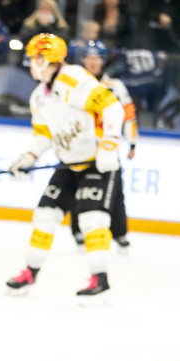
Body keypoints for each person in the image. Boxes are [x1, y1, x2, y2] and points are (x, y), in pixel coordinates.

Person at [6, 33, 124, 305]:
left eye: (35, 58)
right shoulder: (38, 97)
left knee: (93, 219)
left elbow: (113, 108)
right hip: (69, 164)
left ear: (49, 59)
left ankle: (100, 281)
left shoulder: (74, 78)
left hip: (97, 162)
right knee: (45, 215)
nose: (31, 64)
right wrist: (29, 157)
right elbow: (44, 134)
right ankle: (30, 272)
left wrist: (109, 144)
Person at [70, 39, 137, 251]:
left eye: (97, 58)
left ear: (103, 61)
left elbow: (129, 114)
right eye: (89, 58)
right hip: (80, 146)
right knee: (76, 186)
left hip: (107, 146)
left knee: (115, 189)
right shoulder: (76, 84)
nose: (93, 62)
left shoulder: (115, 86)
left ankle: (119, 233)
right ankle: (78, 230)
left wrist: (132, 142)